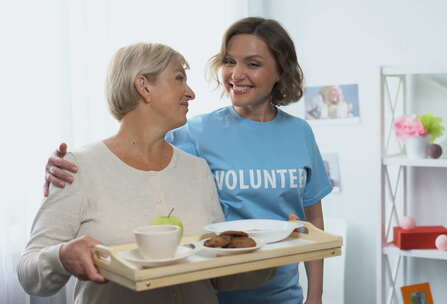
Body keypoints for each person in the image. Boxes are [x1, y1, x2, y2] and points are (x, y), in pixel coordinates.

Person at [44, 17, 332, 304]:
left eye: (253, 64)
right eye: (229, 61)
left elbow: (312, 218)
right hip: (217, 290)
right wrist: (66, 167)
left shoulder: (300, 133)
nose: (236, 73)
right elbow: (133, 151)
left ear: (280, 71)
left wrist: (315, 295)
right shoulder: (194, 132)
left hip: (283, 291)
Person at [19, 42, 273, 304]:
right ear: (144, 86)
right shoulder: (77, 168)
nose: (191, 93)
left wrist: (275, 249)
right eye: (179, 78)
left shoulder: (197, 170)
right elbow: (29, 273)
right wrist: (61, 257)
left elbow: (218, 272)